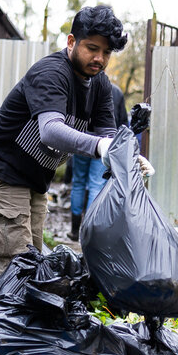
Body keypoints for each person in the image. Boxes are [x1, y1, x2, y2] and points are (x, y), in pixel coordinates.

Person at [0, 5, 153, 280]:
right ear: (71, 42)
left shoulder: (100, 83)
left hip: (35, 176)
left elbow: (107, 132)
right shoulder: (51, 73)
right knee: (16, 261)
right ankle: (3, 303)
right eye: (92, 48)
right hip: (1, 168)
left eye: (106, 52)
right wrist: (100, 147)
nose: (99, 58)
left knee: (32, 252)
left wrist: (127, 156)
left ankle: (10, 286)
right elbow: (50, 131)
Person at [67, 81, 129, 241]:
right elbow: (123, 121)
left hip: (81, 140)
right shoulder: (116, 92)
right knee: (96, 184)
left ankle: (74, 230)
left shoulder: (82, 87)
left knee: (78, 182)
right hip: (104, 143)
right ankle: (88, 232)